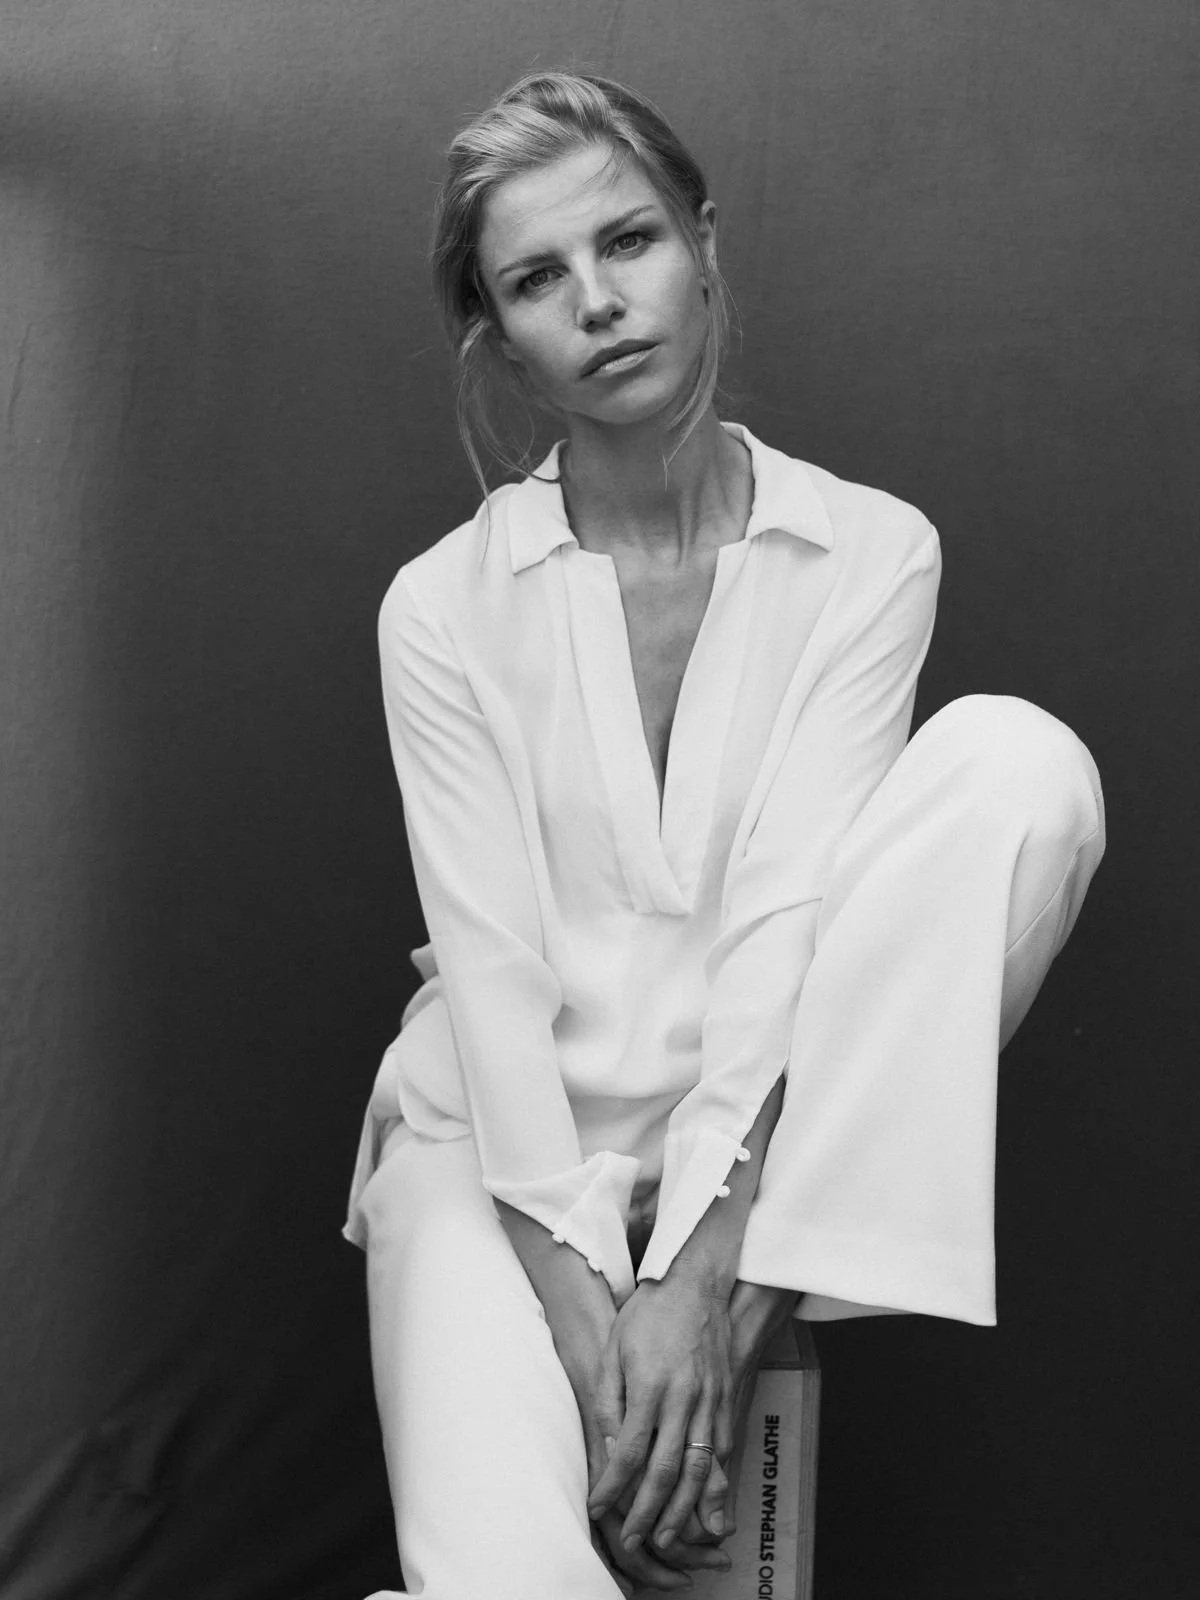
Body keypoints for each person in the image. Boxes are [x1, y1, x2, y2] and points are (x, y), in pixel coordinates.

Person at [342, 69, 1105, 1600]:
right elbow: (490, 986)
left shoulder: (872, 551)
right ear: (499, 335)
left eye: (628, 241)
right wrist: (599, 1337)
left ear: (703, 242)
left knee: (1022, 766)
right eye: (538, 279)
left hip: (776, 1124)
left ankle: (762, 1267)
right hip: (499, 1147)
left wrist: (715, 1291)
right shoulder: (440, 608)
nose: (598, 301)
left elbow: (786, 924)